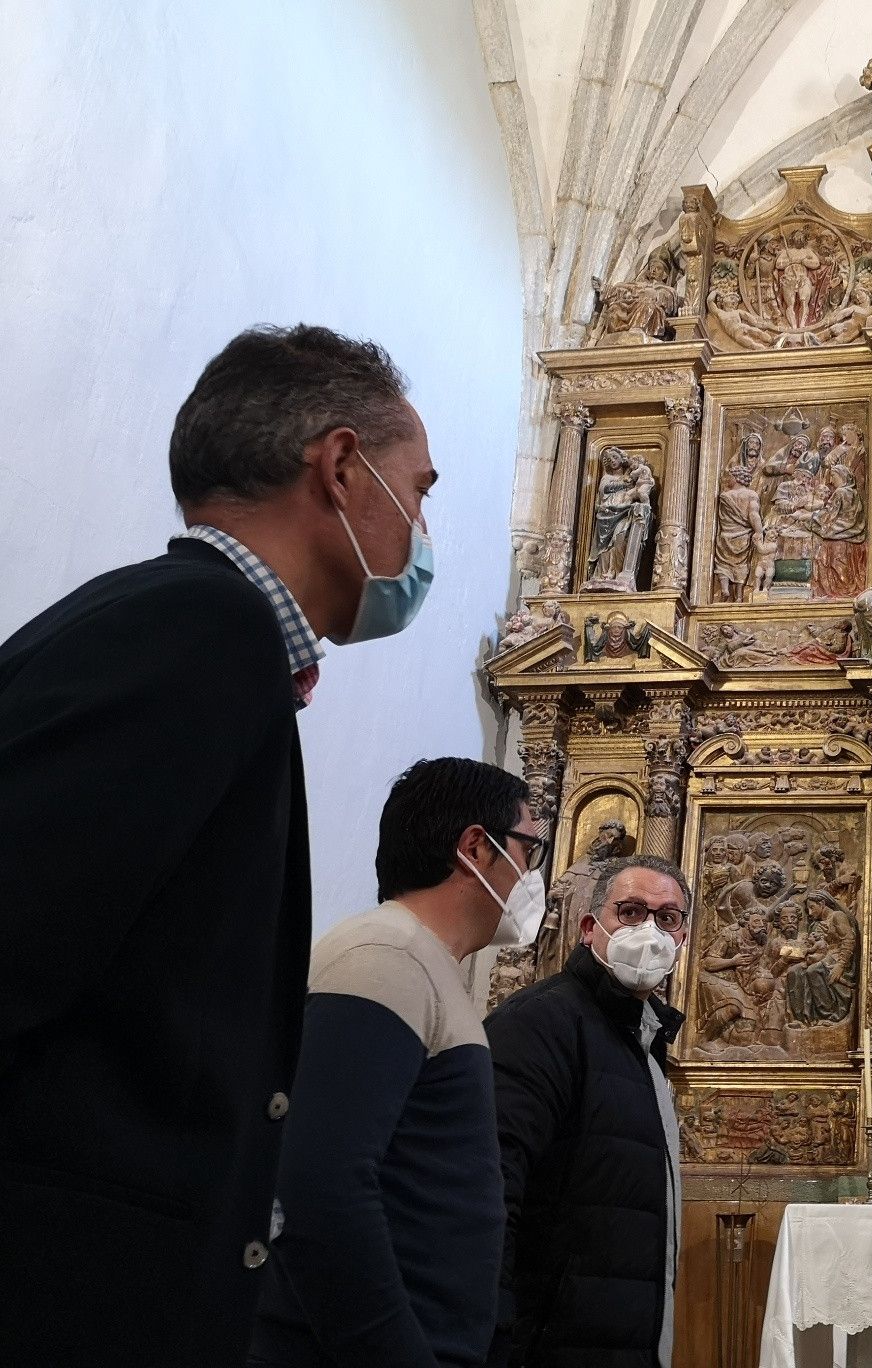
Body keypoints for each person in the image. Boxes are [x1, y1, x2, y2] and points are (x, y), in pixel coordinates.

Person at [0, 324, 435, 1367]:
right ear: (340, 468)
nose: (423, 528)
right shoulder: (195, 634)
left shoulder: (186, 628)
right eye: (418, 490)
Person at [249, 759, 545, 1367]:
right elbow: (319, 1183)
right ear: (475, 848)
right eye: (528, 848)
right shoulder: (384, 956)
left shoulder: (425, 964)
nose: (533, 873)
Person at [488, 855, 693, 1367]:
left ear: (682, 939)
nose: (649, 929)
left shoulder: (643, 1036)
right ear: (589, 927)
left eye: (667, 918)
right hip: (547, 1343)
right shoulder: (539, 1025)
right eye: (630, 912)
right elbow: (492, 1195)